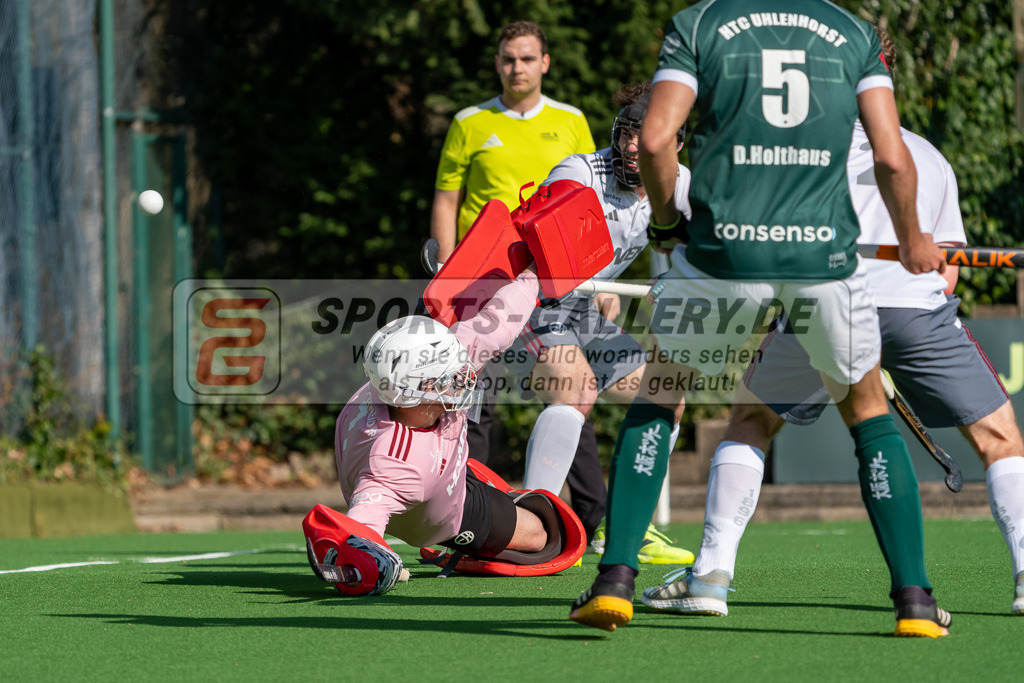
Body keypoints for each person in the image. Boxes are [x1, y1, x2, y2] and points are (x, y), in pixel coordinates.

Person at [570, 0, 950, 638]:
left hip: (723, 253)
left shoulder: (701, 23)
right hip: (823, 257)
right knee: (866, 411)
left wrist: (666, 226)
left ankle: (614, 582)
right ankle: (914, 601)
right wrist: (913, 238)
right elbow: (891, 157)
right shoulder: (854, 32)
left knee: (662, 392)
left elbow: (658, 138)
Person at [700, 36, 1024, 617]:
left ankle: (709, 579)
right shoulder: (927, 155)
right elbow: (946, 273)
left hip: (820, 307)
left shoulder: (795, 153)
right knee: (1000, 438)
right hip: (917, 314)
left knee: (750, 420)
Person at [302, 265, 584, 596]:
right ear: (411, 393)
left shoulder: (392, 383)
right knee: (547, 536)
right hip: (446, 513)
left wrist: (532, 276)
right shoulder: (393, 464)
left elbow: (495, 324)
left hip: (440, 471)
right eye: (446, 381)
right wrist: (362, 562)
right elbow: (365, 515)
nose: (461, 381)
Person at [506, 81, 695, 564]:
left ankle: (627, 526)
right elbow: (548, 241)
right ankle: (534, 527)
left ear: (675, 140)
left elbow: (683, 256)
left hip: (581, 307)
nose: (633, 146)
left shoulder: (681, 184)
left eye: (647, 134)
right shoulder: (578, 171)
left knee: (666, 395)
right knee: (575, 387)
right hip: (530, 297)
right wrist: (594, 277)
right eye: (628, 133)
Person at [429, 20, 603, 534]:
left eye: (527, 58)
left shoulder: (570, 121)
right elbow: (447, 199)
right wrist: (444, 269)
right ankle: (461, 523)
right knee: (469, 400)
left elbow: (592, 205)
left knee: (570, 389)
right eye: (508, 58)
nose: (517, 68)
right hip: (482, 283)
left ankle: (592, 523)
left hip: (553, 284)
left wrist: (601, 278)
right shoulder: (469, 122)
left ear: (545, 62)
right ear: (498, 62)